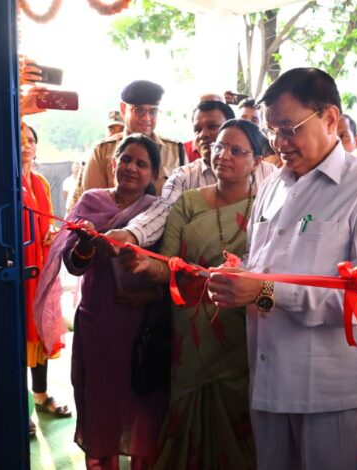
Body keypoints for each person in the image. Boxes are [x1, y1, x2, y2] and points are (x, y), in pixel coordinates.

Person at [207, 67, 357, 469]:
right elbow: (265, 263)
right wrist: (240, 275)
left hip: (324, 386)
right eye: (273, 131)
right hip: (267, 372)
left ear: (329, 118)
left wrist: (264, 290)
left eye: (289, 129)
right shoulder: (273, 184)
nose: (279, 142)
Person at [121, 119, 266, 469]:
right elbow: (168, 266)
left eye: (236, 150)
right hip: (191, 328)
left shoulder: (266, 208)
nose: (224, 156)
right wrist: (144, 266)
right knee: (187, 405)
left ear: (257, 161)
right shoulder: (187, 202)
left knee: (236, 411)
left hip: (239, 327)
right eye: (219, 147)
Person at [35, 134, 167, 469]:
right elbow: (73, 265)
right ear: (113, 163)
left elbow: (168, 269)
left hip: (142, 327)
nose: (131, 168)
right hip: (98, 323)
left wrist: (147, 293)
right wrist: (85, 245)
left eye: (141, 164)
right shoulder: (91, 201)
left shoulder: (158, 211)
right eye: (126, 160)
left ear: (154, 174)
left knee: (143, 407)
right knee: (99, 403)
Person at [104, 101, 276, 249]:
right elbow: (164, 209)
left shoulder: (270, 175)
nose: (203, 135)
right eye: (197, 129)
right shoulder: (184, 177)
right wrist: (133, 234)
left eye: (212, 127)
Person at [20, 125, 71, 436]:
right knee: (18, 333)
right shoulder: (7, 182)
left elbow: (46, 225)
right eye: (20, 140)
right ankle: (19, 406)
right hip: (19, 269)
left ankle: (40, 395)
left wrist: (52, 235)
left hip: (40, 267)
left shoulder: (39, 183)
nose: (26, 145)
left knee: (41, 329)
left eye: (31, 140)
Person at [75, 80, 185, 202]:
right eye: (139, 110)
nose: (146, 118)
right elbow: (93, 204)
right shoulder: (102, 151)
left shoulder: (176, 151)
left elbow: (185, 203)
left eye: (153, 112)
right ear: (123, 110)